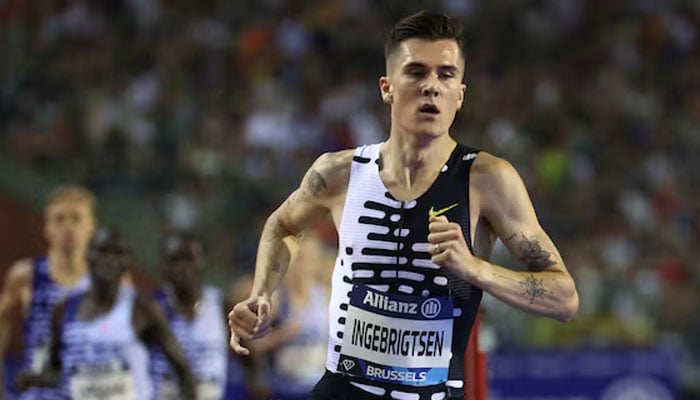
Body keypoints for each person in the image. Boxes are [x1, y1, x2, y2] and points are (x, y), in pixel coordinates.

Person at [229, 10, 579, 400]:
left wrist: (475, 269)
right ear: (387, 87)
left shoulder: (487, 180)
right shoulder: (338, 172)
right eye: (416, 72)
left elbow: (564, 298)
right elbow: (283, 224)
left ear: (460, 95)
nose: (432, 87)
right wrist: (261, 293)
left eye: (446, 75)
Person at [15, 226, 197, 399]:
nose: (109, 259)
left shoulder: (142, 309)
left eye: (117, 253)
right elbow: (56, 371)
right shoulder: (64, 311)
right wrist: (35, 378)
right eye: (102, 251)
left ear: (127, 261)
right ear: (87, 255)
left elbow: (183, 368)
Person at [0, 185, 96, 400]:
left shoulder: (107, 279)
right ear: (47, 228)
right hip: (40, 392)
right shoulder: (27, 275)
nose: (68, 227)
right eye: (59, 219)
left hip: (89, 389)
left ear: (91, 226)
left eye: (76, 218)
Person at [251, 231, 330, 400]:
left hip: (315, 389)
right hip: (283, 390)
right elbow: (254, 347)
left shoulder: (324, 296)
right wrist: (282, 334)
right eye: (296, 259)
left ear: (317, 264)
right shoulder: (277, 299)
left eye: (307, 260)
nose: (300, 266)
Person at [150, 232, 228, 400]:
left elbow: (249, 358)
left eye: (189, 259)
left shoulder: (221, 305)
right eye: (174, 261)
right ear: (163, 266)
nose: (183, 268)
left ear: (203, 262)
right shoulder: (151, 307)